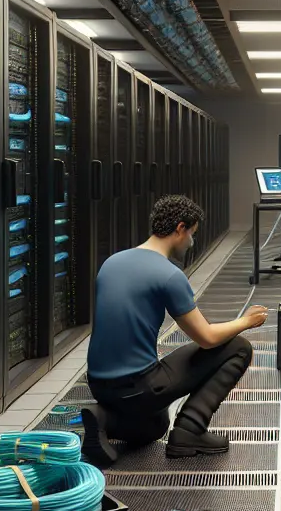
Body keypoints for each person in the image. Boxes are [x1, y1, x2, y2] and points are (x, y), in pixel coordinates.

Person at [80, 195, 266, 467]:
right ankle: (191, 431)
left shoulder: (112, 262)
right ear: (180, 228)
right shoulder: (168, 274)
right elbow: (207, 338)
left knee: (156, 426)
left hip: (98, 385)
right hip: (138, 386)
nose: (192, 242)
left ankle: (103, 418)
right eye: (191, 234)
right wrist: (247, 321)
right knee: (238, 347)